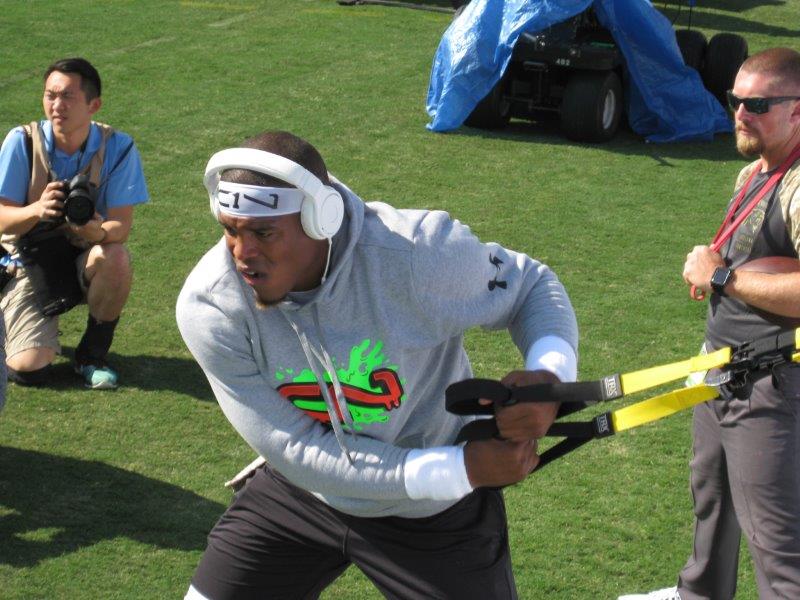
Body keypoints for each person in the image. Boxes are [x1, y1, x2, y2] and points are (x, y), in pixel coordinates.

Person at [176, 130, 579, 599]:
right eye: (230, 229)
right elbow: (300, 452)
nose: (242, 255)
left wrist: (550, 378)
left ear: (319, 219)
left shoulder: (416, 256)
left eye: (264, 233)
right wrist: (460, 468)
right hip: (305, 491)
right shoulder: (212, 307)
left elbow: (530, 287)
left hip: (433, 514)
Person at [620, 47, 800, 600]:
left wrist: (724, 279)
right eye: (735, 100)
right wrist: (715, 264)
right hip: (719, 369)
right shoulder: (755, 170)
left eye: (758, 104)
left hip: (769, 387)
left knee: (775, 540)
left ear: (797, 111)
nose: (740, 113)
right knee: (712, 499)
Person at [0, 57, 149, 389]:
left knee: (117, 258)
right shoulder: (22, 142)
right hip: (29, 260)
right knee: (28, 370)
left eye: (67, 96)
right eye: (50, 95)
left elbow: (120, 228)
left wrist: (92, 230)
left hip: (83, 254)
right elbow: (1, 219)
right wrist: (36, 210)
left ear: (93, 104)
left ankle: (91, 356)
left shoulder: (119, 147)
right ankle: (12, 324)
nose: (56, 105)